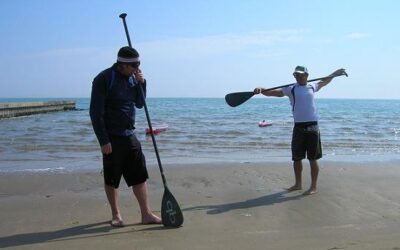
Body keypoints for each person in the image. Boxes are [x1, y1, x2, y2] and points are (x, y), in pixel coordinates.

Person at [90, 46, 161, 226]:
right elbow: (95, 113)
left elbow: (139, 104)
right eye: (135, 65)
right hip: (111, 137)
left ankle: (146, 214)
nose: (137, 68)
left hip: (129, 134)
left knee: (139, 175)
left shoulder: (133, 78)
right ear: (122, 64)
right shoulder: (104, 78)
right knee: (112, 178)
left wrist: (142, 84)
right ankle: (116, 215)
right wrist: (103, 140)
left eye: (139, 65)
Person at [254, 66, 346, 195]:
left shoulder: (313, 86)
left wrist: (336, 73)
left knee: (312, 159)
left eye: (301, 74)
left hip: (313, 126)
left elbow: (325, 80)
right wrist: (261, 90)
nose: (298, 76)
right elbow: (273, 93)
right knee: (296, 158)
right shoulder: (291, 89)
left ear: (307, 75)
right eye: (296, 75)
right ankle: (298, 184)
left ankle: (313, 186)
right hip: (298, 127)